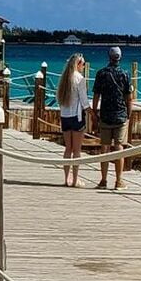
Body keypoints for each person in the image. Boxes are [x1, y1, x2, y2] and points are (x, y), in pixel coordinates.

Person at [91, 46, 133, 190]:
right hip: (121, 115)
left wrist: (94, 113)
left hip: (106, 114)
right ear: (120, 57)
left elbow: (96, 95)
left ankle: (103, 180)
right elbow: (129, 97)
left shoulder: (101, 73)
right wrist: (129, 114)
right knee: (119, 147)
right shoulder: (125, 74)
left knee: (105, 148)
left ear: (109, 57)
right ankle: (119, 181)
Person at [56, 53, 88, 187]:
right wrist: (91, 112)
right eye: (83, 64)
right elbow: (84, 100)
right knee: (77, 150)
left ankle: (66, 179)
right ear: (79, 64)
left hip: (65, 116)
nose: (84, 67)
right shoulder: (79, 78)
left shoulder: (64, 79)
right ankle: (75, 180)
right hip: (76, 116)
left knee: (67, 149)